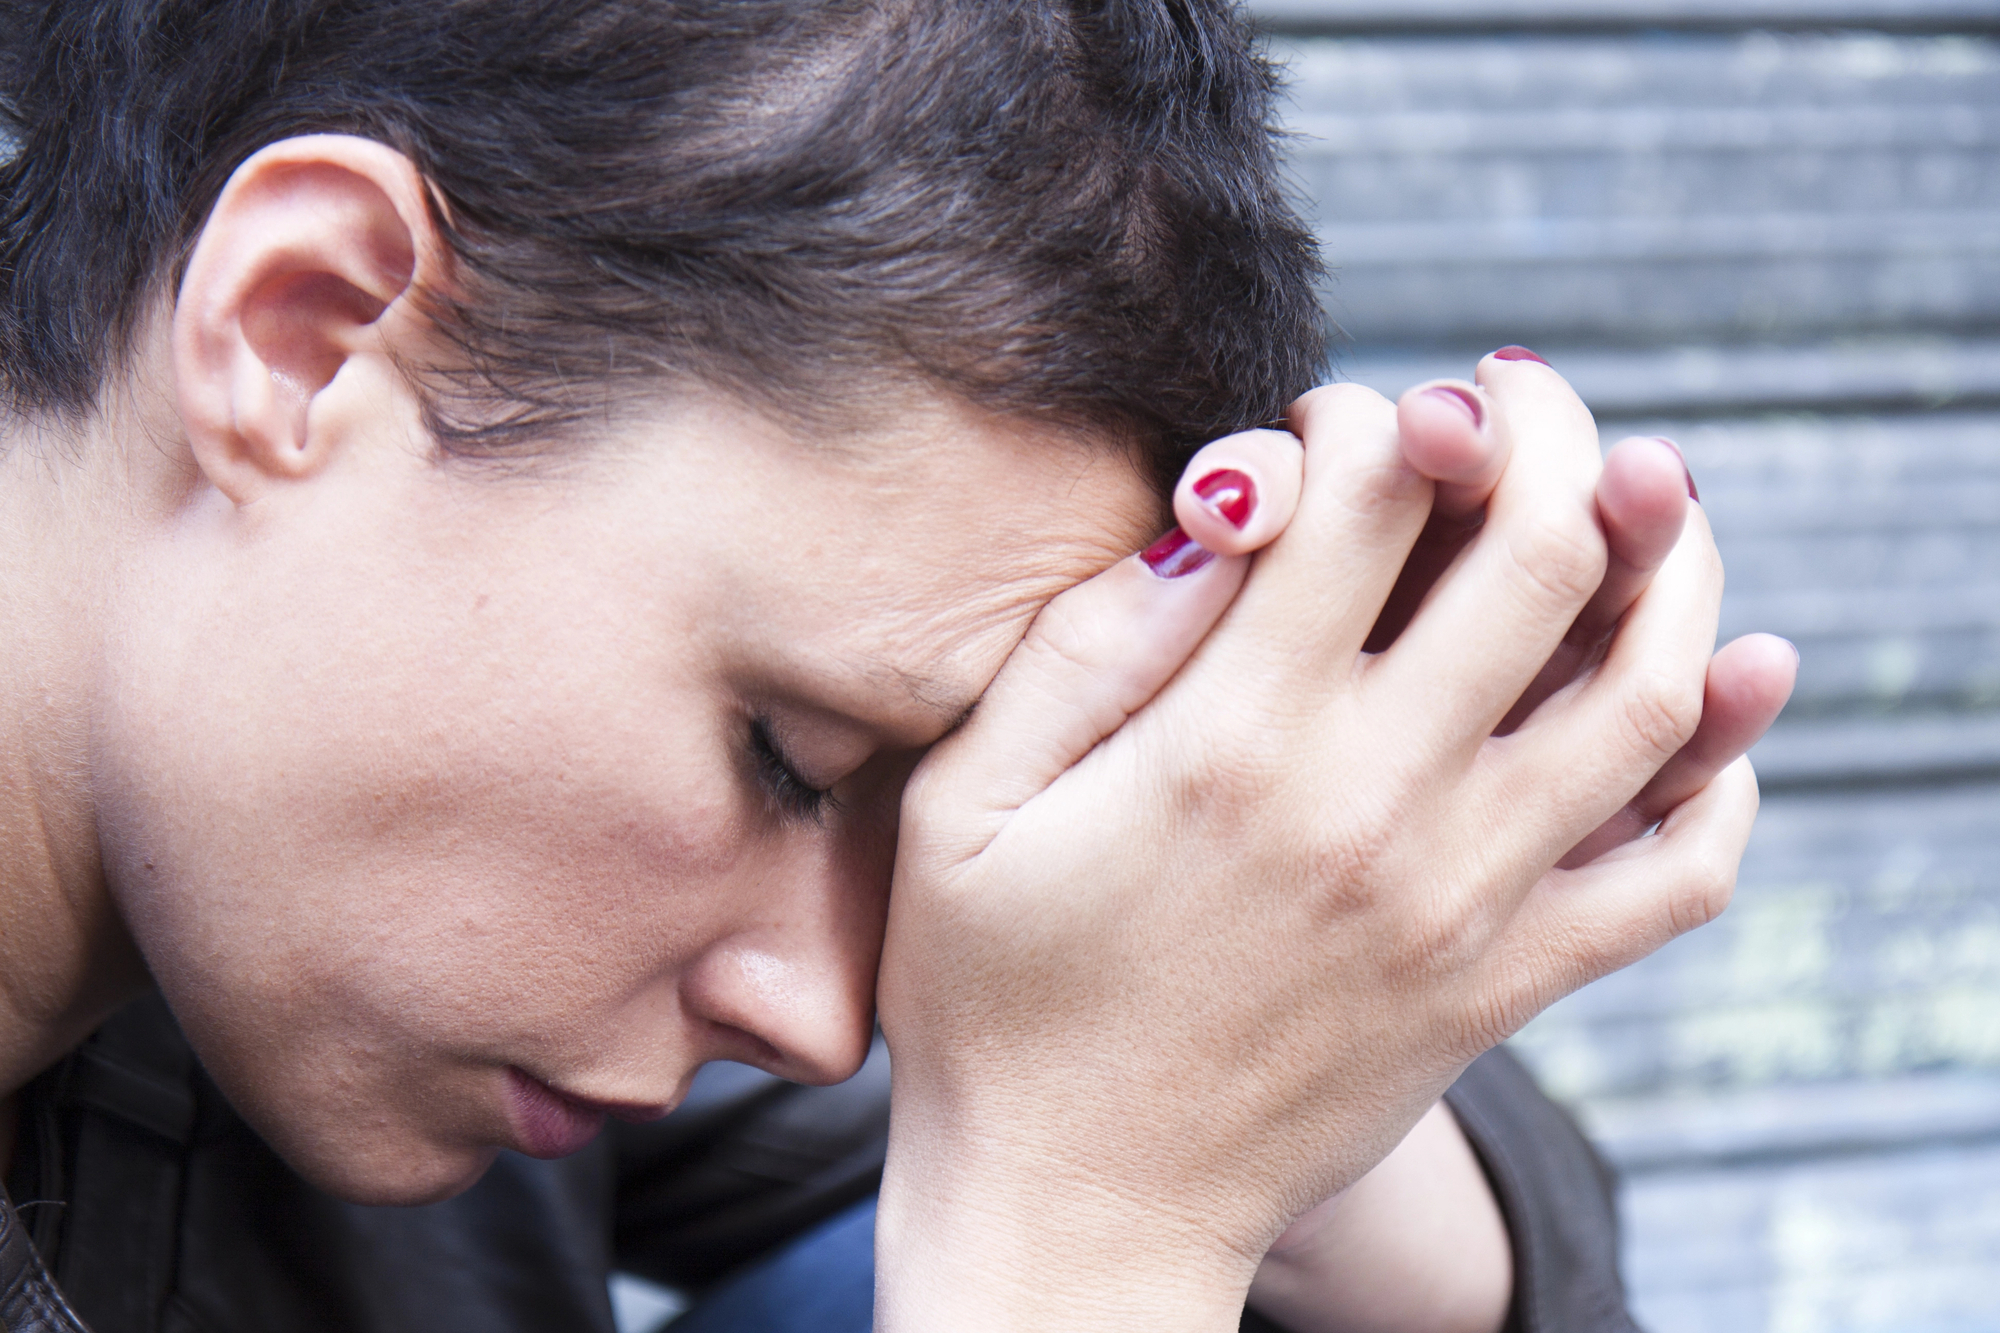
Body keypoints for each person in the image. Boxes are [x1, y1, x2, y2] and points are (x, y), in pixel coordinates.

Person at [0, 1, 1797, 1330]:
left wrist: (1269, 896)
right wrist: (1088, 1235)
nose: (817, 1012)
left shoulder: (359, 934)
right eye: (789, 753)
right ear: (305, 334)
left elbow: (1489, 1260)